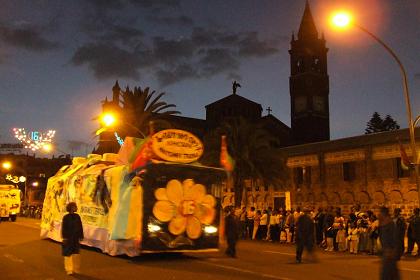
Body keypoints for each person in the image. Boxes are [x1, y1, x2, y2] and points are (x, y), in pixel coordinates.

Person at [61, 202, 84, 276]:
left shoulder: (77, 216)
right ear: (71, 208)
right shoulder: (66, 217)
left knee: (76, 253)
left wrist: (81, 236)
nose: (76, 207)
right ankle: (69, 269)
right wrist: (64, 238)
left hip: (76, 238)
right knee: (68, 254)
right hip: (68, 238)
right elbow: (64, 228)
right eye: (75, 206)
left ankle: (76, 269)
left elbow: (80, 227)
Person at [378, 206, 400, 280]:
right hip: (386, 251)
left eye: (380, 212)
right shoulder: (382, 223)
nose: (379, 214)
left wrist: (393, 250)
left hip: (389, 252)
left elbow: (394, 237)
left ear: (384, 213)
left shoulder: (390, 223)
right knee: (391, 273)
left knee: (388, 273)